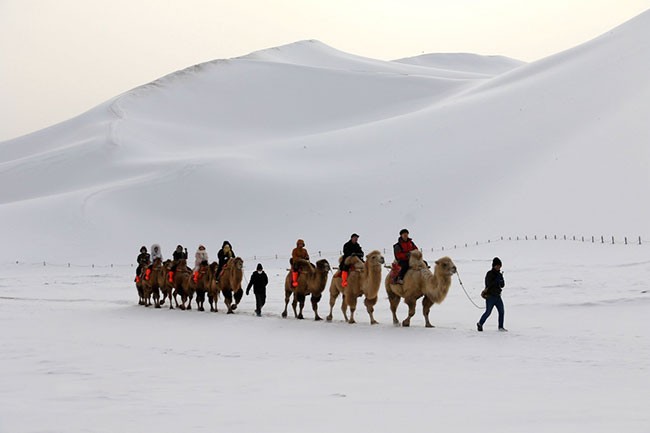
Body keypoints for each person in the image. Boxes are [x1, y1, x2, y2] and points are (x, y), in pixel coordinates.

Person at [477, 257, 507, 332]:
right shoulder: (489, 274)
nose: (498, 267)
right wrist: (496, 281)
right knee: (488, 312)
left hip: (498, 296)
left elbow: (502, 285)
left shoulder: (500, 274)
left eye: (499, 266)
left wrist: (501, 280)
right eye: (497, 265)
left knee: (501, 311)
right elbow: (488, 284)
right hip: (490, 296)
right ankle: (480, 323)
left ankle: (501, 327)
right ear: (493, 266)